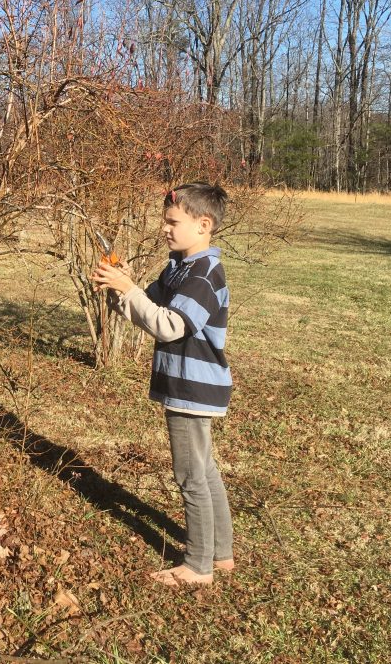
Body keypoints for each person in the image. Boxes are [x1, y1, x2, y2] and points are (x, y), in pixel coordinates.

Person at [91, 182, 234, 586]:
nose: (165, 229)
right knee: (204, 470)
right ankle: (221, 555)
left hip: (192, 388)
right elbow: (147, 307)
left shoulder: (204, 274)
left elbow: (170, 326)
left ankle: (198, 566)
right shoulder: (178, 267)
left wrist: (129, 289)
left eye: (173, 222)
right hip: (186, 385)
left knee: (191, 476)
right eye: (165, 221)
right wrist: (118, 287)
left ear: (203, 225)